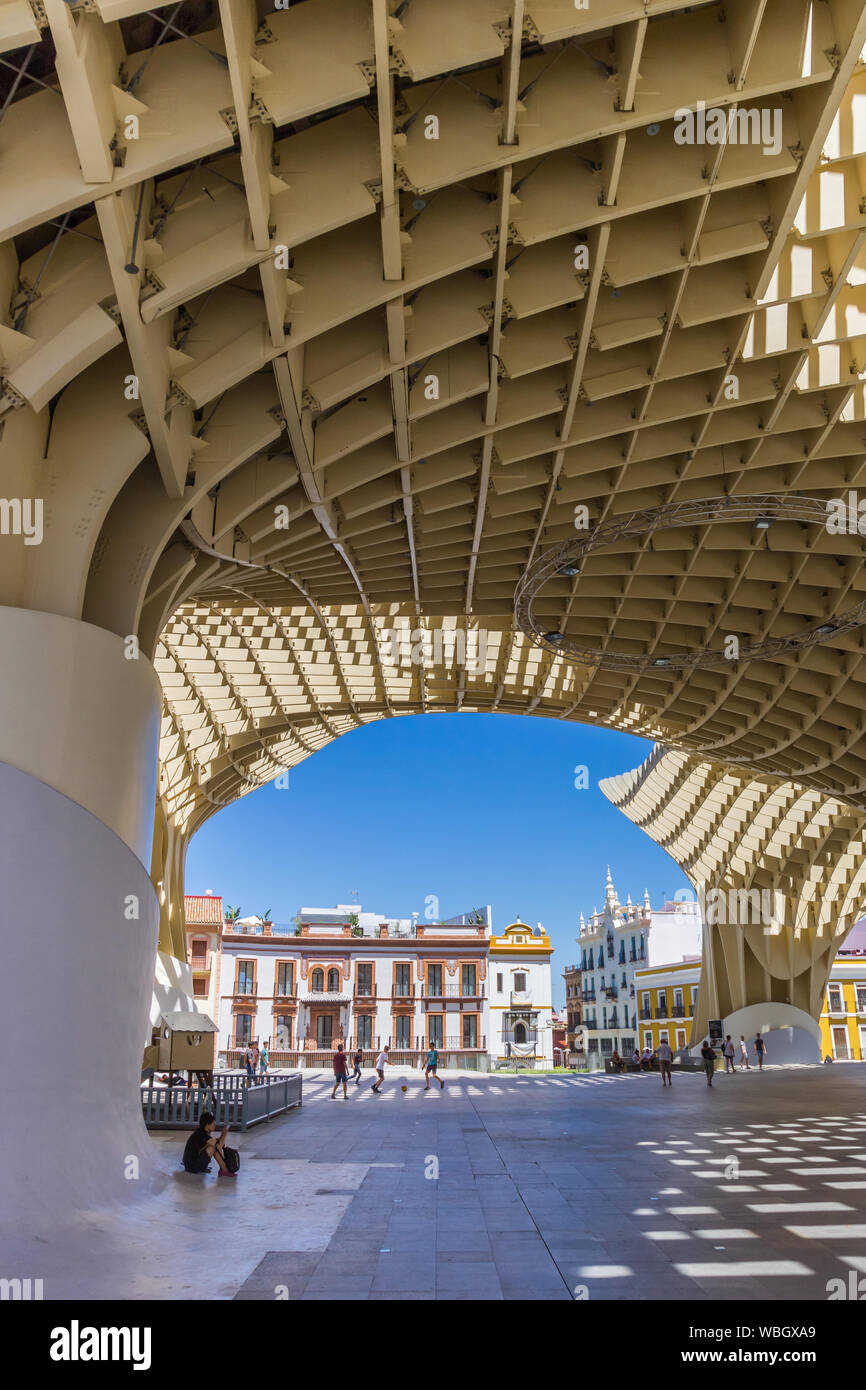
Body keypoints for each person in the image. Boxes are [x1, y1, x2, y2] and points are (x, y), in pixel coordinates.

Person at [182, 1112, 233, 1176]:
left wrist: (222, 1136)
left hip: (190, 1164)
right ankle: (224, 1170)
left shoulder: (201, 1132)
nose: (215, 1125)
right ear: (207, 1125)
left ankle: (223, 1169)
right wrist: (224, 1134)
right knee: (214, 1147)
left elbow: (217, 1143)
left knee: (214, 1145)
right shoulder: (201, 1134)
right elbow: (219, 1146)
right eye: (213, 1123)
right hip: (192, 1167)